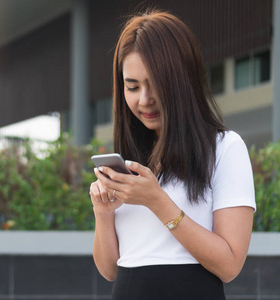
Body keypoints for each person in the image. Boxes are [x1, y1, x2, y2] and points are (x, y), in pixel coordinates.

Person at [89, 9, 256, 300]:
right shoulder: (129, 159)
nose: (144, 99)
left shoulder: (225, 148)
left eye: (155, 84)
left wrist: (157, 201)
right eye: (133, 86)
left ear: (183, 79)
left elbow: (229, 265)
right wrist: (103, 215)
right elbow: (110, 270)